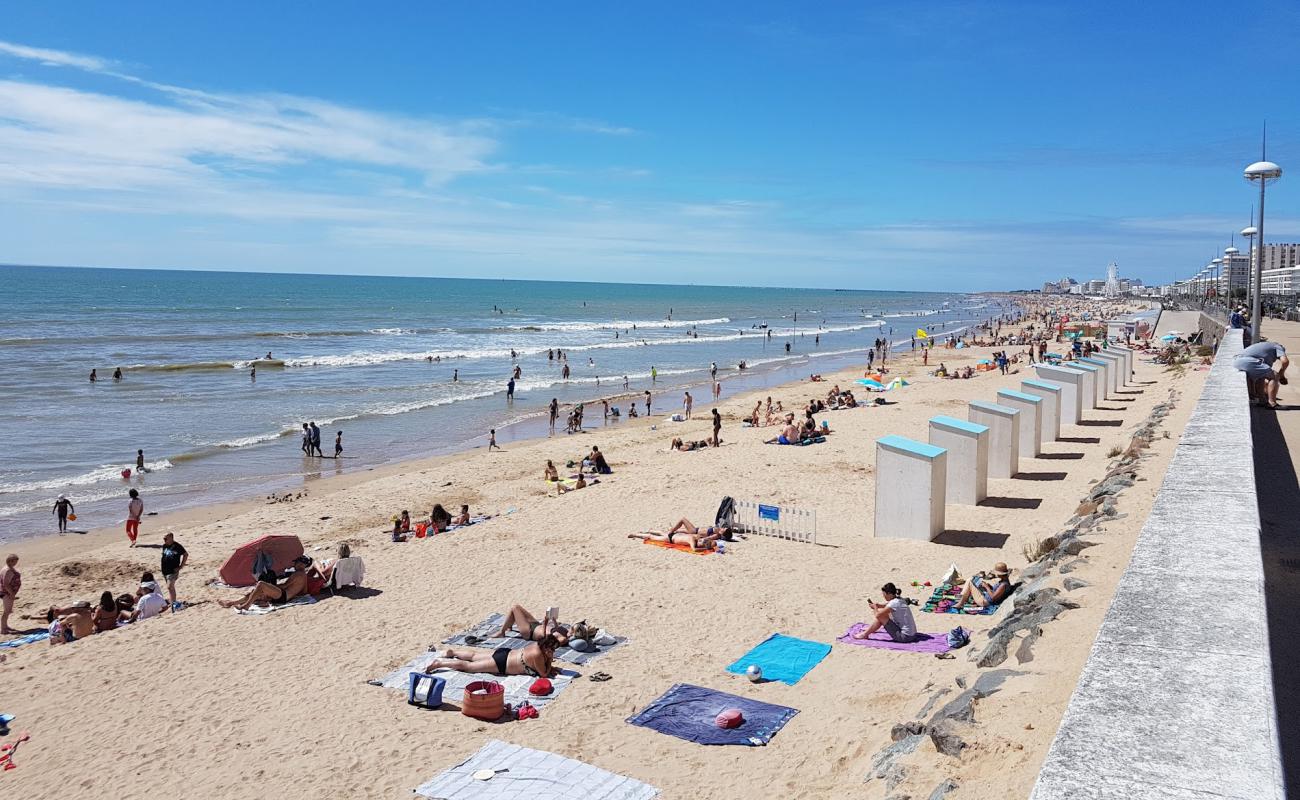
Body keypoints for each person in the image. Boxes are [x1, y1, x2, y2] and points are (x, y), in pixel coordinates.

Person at [426, 635, 559, 678]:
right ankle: (440, 664)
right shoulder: (538, 655)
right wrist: (549, 663)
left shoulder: (537, 645)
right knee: (468, 667)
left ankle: (453, 653)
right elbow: (544, 674)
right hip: (503, 663)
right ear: (546, 648)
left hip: (505, 652)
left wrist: (548, 660)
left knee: (473, 656)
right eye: (552, 649)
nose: (553, 651)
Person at [218, 556, 318, 610]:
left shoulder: (298, 574)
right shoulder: (303, 575)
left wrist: (272, 587)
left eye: (295, 563)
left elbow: (284, 586)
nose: (294, 564)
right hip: (285, 595)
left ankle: (246, 605)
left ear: (301, 564)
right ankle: (231, 602)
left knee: (261, 584)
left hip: (283, 596)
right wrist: (295, 594)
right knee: (257, 590)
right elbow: (304, 591)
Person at [852, 583, 917, 643]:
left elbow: (878, 615)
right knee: (884, 614)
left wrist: (875, 607)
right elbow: (888, 605)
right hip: (913, 635)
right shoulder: (900, 599)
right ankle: (869, 631)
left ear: (889, 594)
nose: (884, 596)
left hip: (905, 637)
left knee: (881, 616)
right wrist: (879, 605)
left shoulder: (893, 604)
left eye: (884, 594)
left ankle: (865, 634)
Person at [495, 604, 588, 646]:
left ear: (574, 633)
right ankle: (509, 626)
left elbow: (546, 640)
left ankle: (502, 631)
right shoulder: (566, 632)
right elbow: (556, 628)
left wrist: (545, 623)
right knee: (518, 608)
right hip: (536, 625)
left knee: (514, 608)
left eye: (572, 628)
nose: (570, 627)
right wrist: (553, 619)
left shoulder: (563, 639)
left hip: (529, 632)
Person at [1234, 340, 1289, 408]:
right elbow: (1285, 361)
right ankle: (1272, 403)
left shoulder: (1264, 348)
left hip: (1238, 361)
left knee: (1261, 377)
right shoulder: (1278, 347)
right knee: (1275, 376)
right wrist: (1281, 374)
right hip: (1249, 361)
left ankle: (1262, 401)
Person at [161, 532, 188, 610]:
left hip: (173, 570)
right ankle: (173, 602)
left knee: (170, 587)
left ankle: (174, 604)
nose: (164, 539)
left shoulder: (177, 546)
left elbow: (185, 554)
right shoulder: (164, 546)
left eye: (166, 538)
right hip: (165, 570)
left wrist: (181, 566)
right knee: (170, 588)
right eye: (164, 538)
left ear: (171, 538)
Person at [0, 554, 19, 634]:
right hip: (6, 593)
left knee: (7, 611)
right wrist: (11, 594)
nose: (16, 563)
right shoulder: (7, 570)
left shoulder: (6, 568)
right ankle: (3, 629)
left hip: (5, 592)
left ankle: (5, 626)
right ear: (10, 561)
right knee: (6, 611)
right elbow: (6, 584)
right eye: (15, 561)